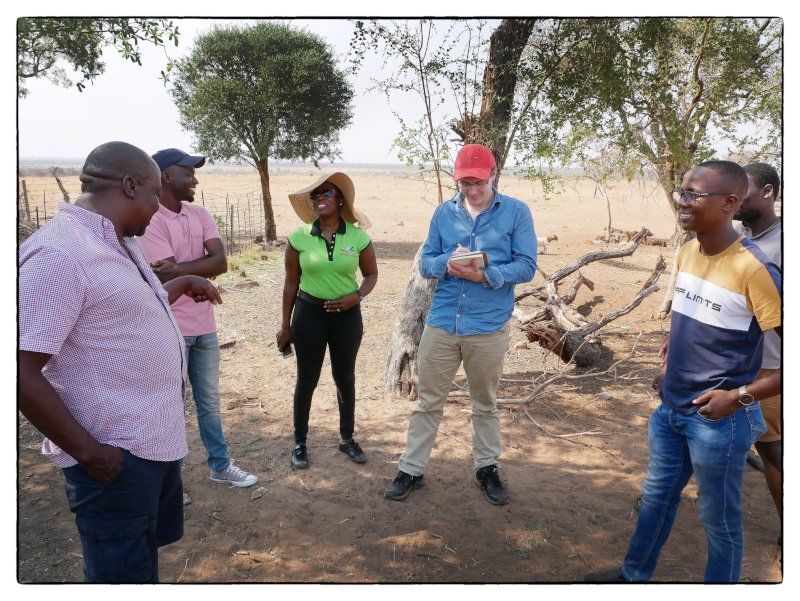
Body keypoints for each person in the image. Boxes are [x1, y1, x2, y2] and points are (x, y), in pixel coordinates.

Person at [19, 141, 222, 583]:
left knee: (139, 561)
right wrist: (91, 454)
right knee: (119, 574)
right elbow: (18, 369)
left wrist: (182, 281)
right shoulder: (60, 255)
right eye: (154, 195)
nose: (157, 210)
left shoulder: (115, 242)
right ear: (130, 186)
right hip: (113, 457)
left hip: (151, 443)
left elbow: (119, 309)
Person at [587, 160, 781, 583]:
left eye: (696, 194)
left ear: (730, 203)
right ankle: (633, 575)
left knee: (718, 520)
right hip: (670, 412)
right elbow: (686, 320)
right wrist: (671, 363)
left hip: (718, 423)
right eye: (682, 190)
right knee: (656, 499)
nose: (683, 201)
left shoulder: (756, 270)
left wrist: (740, 397)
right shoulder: (688, 251)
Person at [384, 143, 537, 506]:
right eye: (464, 183)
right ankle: (411, 470)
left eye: (477, 182)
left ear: (493, 174)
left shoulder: (516, 212)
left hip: (487, 325)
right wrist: (445, 266)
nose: (470, 190)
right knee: (428, 402)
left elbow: (527, 266)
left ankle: (486, 468)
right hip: (443, 321)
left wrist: (487, 275)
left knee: (484, 402)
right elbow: (426, 263)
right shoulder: (443, 214)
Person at [139, 149, 258, 501]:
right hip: (169, 329)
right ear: (165, 177)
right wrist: (194, 273)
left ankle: (220, 466)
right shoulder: (151, 219)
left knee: (208, 402)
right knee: (171, 405)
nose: (195, 179)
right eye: (188, 172)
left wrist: (184, 273)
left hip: (205, 327)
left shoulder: (200, 213)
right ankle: (171, 482)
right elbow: (167, 274)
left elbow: (220, 263)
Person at [276, 172, 378, 469]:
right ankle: (299, 443)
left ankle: (347, 439)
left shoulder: (358, 237)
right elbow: (290, 283)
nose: (320, 198)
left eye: (327, 193)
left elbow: (371, 275)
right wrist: (285, 325)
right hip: (308, 316)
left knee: (345, 378)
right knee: (306, 380)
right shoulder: (298, 238)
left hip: (347, 317)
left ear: (340, 199)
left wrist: (357, 296)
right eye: (316, 195)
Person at [735, 163, 782, 531]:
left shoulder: (782, 246)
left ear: (767, 192)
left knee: (774, 453)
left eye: (743, 191)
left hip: (771, 369)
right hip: (737, 365)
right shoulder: (738, 239)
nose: (734, 199)